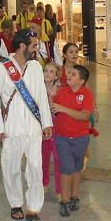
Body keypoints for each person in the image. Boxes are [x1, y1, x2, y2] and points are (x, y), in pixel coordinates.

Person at [0, 29, 53, 221]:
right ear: (22, 46)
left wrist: (46, 123)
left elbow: (42, 96)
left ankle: (34, 207)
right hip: (11, 128)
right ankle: (16, 203)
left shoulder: (35, 67)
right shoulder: (2, 68)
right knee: (11, 167)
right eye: (34, 46)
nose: (37, 50)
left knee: (35, 167)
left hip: (33, 128)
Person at [51, 64, 94, 218]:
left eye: (74, 74)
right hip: (62, 137)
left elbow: (84, 116)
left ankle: (75, 196)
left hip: (80, 138)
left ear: (81, 81)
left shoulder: (87, 94)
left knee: (77, 167)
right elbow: (52, 104)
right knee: (66, 168)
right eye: (69, 73)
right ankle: (64, 200)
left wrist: (63, 109)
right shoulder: (62, 91)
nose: (69, 75)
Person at [42, 62, 61, 200]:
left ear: (56, 75)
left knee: (58, 157)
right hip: (42, 126)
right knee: (43, 156)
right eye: (46, 70)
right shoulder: (38, 88)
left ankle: (60, 189)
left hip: (57, 126)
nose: (48, 73)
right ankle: (44, 183)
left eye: (51, 71)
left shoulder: (60, 90)